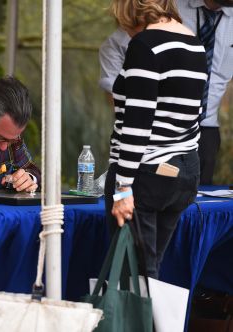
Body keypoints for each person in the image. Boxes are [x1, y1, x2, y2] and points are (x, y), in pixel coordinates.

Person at [104, 0, 207, 278]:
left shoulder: (146, 44)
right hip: (183, 169)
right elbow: (197, 112)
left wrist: (123, 187)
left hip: (146, 172)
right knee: (149, 272)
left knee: (135, 277)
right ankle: (154, 321)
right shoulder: (194, 43)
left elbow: (139, 120)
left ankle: (141, 323)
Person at [99, 0, 233, 185]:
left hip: (205, 131)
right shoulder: (166, 9)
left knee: (199, 204)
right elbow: (122, 41)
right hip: (150, 137)